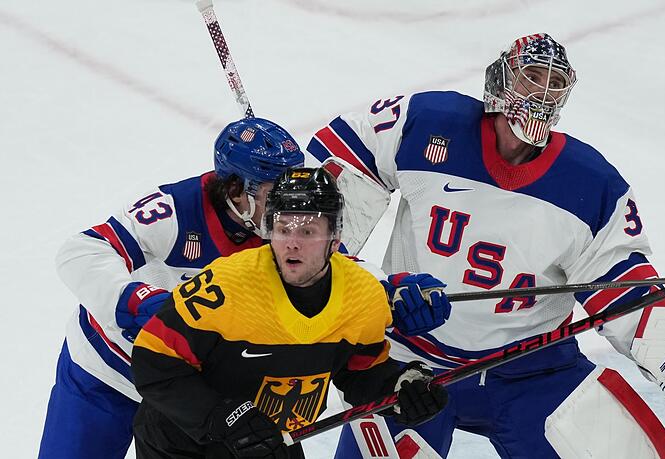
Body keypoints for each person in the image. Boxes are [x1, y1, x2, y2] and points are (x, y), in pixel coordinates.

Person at [307, 33, 665, 458]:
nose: (542, 93)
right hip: (408, 365)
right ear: (501, 80)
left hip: (533, 370)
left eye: (555, 84)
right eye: (532, 76)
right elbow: (332, 173)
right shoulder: (426, 122)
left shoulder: (591, 182)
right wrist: (369, 287)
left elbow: (620, 288)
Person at [130, 167, 449, 458]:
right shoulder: (226, 285)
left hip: (272, 440)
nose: (292, 244)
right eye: (283, 229)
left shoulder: (362, 295)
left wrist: (401, 388)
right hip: (184, 444)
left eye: (307, 231)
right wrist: (222, 416)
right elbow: (152, 360)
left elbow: (360, 371)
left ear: (335, 238)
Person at [37, 117, 306, 459]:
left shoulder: (294, 230)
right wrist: (139, 302)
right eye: (275, 193)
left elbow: (339, 280)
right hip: (108, 373)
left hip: (186, 391)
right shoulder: (174, 210)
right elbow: (82, 251)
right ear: (236, 191)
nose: (291, 207)